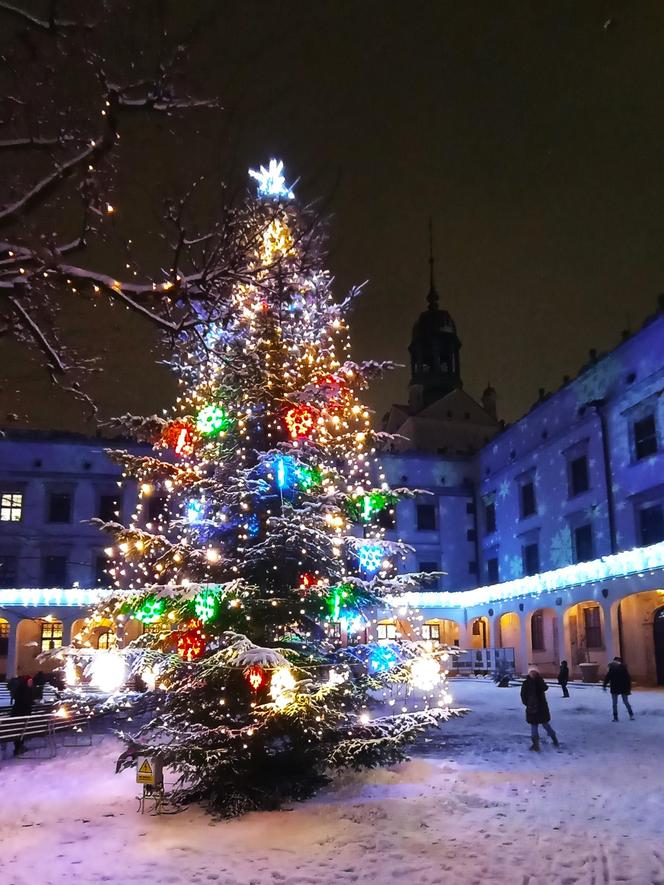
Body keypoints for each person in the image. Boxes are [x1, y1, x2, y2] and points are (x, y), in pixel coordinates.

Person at [520, 667, 559, 751]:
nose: (532, 674)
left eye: (534, 672)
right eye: (531, 672)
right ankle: (538, 744)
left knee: (542, 725)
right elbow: (523, 695)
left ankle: (550, 740)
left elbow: (544, 688)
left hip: (539, 708)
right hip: (534, 707)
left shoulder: (537, 682)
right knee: (538, 725)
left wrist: (539, 681)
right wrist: (527, 703)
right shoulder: (528, 683)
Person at [603, 656, 634, 721]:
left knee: (614, 703)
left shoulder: (611, 668)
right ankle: (631, 715)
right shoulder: (623, 668)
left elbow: (607, 678)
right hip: (623, 687)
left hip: (615, 687)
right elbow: (628, 679)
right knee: (625, 702)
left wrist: (604, 685)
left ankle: (615, 717)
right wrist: (628, 688)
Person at [10, 674, 34, 756]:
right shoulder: (24, 690)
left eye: (31, 681)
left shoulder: (25, 690)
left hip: (20, 715)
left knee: (21, 731)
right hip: (20, 715)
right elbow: (25, 702)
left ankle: (19, 747)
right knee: (20, 731)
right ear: (25, 682)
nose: (31, 683)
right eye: (29, 681)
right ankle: (18, 748)